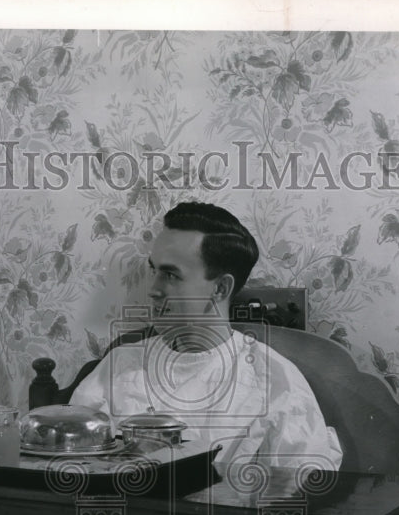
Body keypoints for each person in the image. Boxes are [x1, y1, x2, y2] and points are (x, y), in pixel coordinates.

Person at [70, 201, 343, 474]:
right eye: (154, 270)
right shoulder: (119, 365)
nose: (153, 289)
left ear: (221, 288)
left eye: (170, 275)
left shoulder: (275, 380)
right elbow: (69, 468)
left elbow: (301, 491)